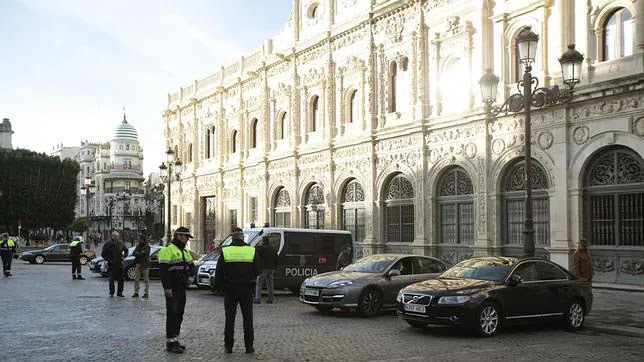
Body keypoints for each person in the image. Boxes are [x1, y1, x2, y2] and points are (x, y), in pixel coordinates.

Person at [214, 227, 260, 354]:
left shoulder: (226, 250)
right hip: (246, 289)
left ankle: (228, 346)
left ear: (232, 237)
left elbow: (219, 271)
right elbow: (258, 270)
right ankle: (249, 346)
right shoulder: (251, 250)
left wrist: (218, 287)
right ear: (243, 237)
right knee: (248, 318)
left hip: (230, 289)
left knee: (230, 319)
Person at [159, 227, 195, 354]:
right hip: (172, 288)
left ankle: (175, 339)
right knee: (172, 315)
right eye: (186, 238)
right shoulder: (167, 249)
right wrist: (167, 288)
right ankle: (171, 342)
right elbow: (163, 271)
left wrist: (191, 277)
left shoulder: (184, 251)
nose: (187, 241)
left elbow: (191, 266)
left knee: (179, 314)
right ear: (179, 236)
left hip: (182, 288)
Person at [101, 231, 129, 297]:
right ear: (112, 236)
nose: (116, 238)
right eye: (114, 236)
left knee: (121, 279)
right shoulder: (108, 244)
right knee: (111, 279)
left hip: (120, 264)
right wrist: (108, 259)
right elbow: (103, 254)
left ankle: (120, 293)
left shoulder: (121, 243)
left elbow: (126, 250)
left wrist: (124, 256)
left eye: (117, 236)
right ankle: (111, 292)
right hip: (111, 264)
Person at [254, 235, 279, 304]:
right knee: (270, 284)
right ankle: (270, 298)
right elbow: (277, 259)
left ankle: (257, 298)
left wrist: (259, 244)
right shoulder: (273, 248)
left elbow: (255, 252)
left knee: (259, 283)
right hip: (271, 268)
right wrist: (274, 267)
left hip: (263, 268)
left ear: (262, 241)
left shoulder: (261, 248)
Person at [132, 234, 151, 298]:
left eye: (140, 239)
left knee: (146, 280)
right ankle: (136, 292)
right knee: (136, 280)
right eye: (139, 239)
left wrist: (139, 253)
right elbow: (134, 253)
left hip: (145, 265)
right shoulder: (138, 246)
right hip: (138, 264)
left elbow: (145, 253)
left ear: (143, 240)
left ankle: (146, 293)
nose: (139, 240)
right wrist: (140, 253)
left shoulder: (147, 246)